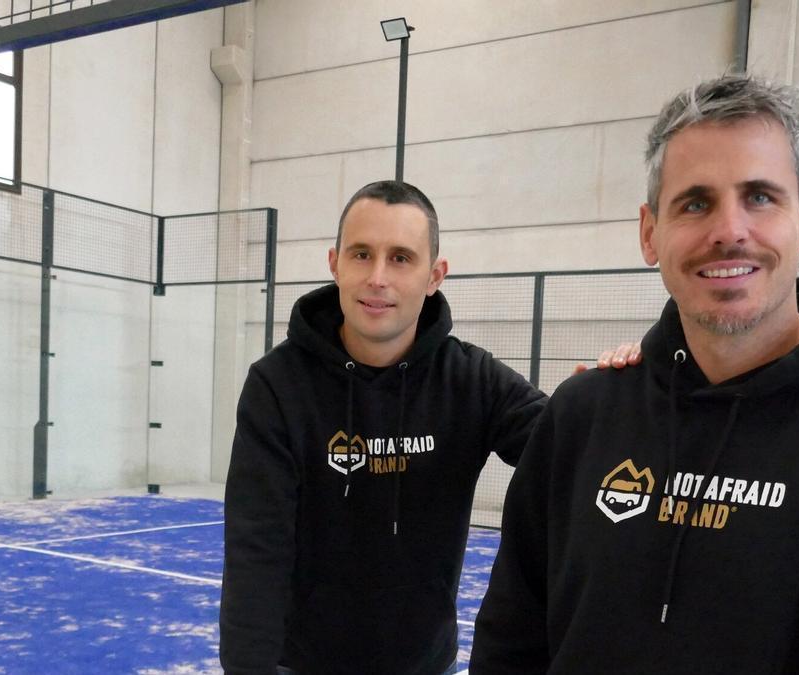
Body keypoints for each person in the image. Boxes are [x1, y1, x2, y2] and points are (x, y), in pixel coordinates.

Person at [470, 75, 799, 673]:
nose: (729, 230)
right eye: (696, 202)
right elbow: (510, 641)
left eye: (760, 196)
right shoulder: (582, 416)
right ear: (649, 232)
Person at [219, 180, 638, 674]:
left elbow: (570, 456)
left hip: (425, 664)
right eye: (361, 254)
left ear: (434, 274)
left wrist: (606, 399)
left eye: (400, 258)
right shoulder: (277, 385)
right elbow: (255, 551)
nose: (377, 277)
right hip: (303, 664)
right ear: (334, 263)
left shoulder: (473, 380)